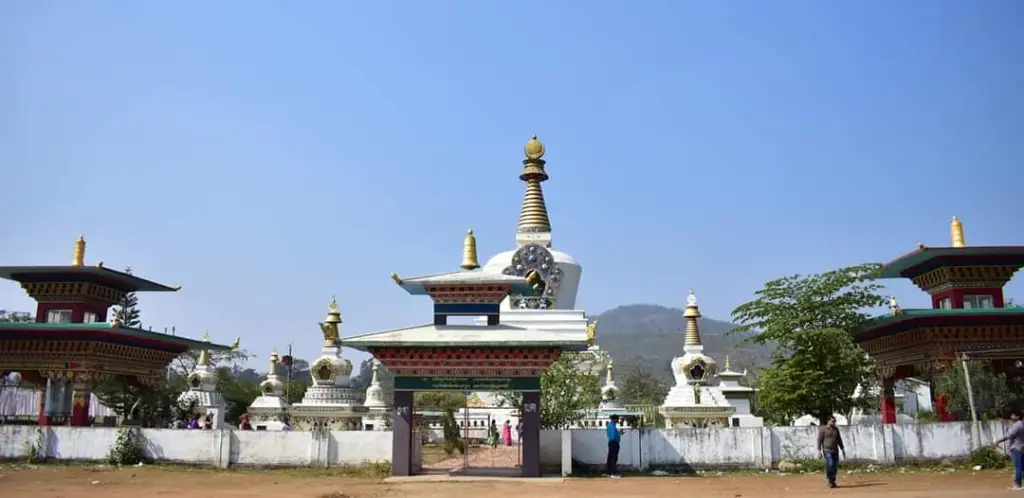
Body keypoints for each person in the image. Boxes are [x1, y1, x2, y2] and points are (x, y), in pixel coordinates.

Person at [993, 411, 1024, 490]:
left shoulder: (1017, 425)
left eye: (1013, 415)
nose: (1011, 417)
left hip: (1016, 449)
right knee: (1022, 467)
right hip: (1022, 448)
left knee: (1018, 467)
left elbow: (1008, 435)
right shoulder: (1022, 424)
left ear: (1018, 417)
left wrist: (998, 441)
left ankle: (1018, 485)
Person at [817, 416, 846, 489]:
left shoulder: (836, 429)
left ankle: (832, 481)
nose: (834, 423)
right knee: (830, 463)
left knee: (835, 466)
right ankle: (830, 479)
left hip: (835, 450)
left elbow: (839, 440)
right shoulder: (823, 429)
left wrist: (842, 449)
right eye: (833, 421)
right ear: (828, 421)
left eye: (835, 421)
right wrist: (819, 451)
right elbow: (819, 440)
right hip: (827, 450)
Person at [606, 414, 623, 479]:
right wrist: (618, 434)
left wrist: (619, 433)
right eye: (617, 419)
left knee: (610, 458)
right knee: (613, 458)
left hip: (611, 443)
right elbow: (613, 436)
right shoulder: (612, 426)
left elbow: (612, 435)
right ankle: (613, 473)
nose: (618, 420)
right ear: (614, 419)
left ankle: (609, 472)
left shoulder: (610, 425)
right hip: (614, 443)